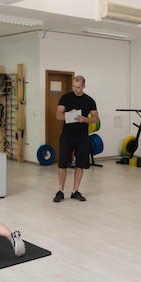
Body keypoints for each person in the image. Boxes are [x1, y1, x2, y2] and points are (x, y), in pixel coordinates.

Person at [53, 75, 99, 203]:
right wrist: (70, 115)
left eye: (78, 87)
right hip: (67, 135)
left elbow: (95, 118)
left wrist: (84, 119)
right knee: (62, 163)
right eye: (74, 86)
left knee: (81, 164)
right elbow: (58, 115)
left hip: (82, 136)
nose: (75, 89)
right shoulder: (65, 98)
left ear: (84, 86)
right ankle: (60, 191)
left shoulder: (89, 100)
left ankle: (75, 191)